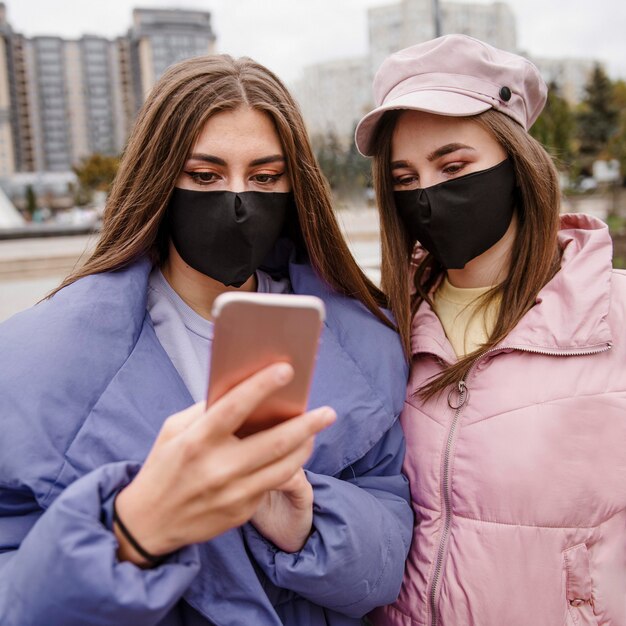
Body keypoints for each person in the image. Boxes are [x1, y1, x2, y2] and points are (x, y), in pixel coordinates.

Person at [0, 55, 413, 626]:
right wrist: (133, 532)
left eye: (265, 178)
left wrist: (309, 522)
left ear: (297, 188)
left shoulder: (365, 343)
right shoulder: (32, 365)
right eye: (205, 175)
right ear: (159, 179)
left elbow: (390, 551)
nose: (238, 201)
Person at [354, 34, 626, 626]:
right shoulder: (382, 328)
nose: (427, 194)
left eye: (454, 166)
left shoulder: (617, 315)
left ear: (516, 164)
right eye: (404, 177)